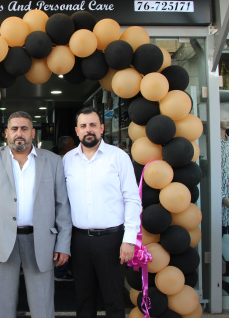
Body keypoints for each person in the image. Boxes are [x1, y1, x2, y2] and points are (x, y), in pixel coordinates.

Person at [0, 111, 72, 318]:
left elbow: (62, 206)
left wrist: (63, 244)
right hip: (1, 239)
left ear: (33, 133)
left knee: (43, 305)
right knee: (3, 305)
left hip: (41, 240)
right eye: (14, 129)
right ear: (6, 133)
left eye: (24, 129)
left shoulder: (52, 160)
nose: (19, 133)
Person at [62, 106, 142, 318]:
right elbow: (62, 203)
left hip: (112, 241)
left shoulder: (118, 157)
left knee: (114, 300)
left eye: (93, 125)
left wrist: (129, 240)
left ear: (102, 128)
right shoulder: (67, 160)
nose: (88, 130)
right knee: (83, 300)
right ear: (77, 131)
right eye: (83, 126)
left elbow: (132, 199)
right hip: (79, 240)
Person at [55, 135, 76, 282]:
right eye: (72, 144)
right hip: (64, 206)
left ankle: (61, 269)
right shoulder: (64, 160)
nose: (75, 146)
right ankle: (60, 270)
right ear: (67, 147)